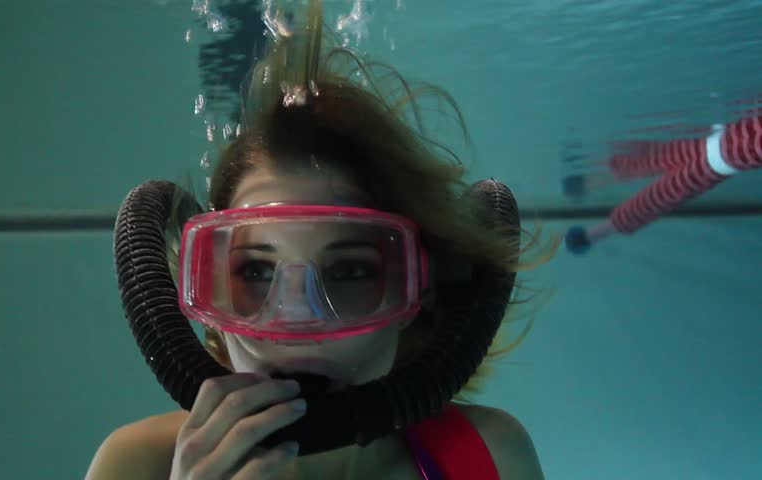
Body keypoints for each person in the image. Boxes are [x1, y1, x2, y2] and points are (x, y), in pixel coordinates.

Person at [86, 1, 552, 478]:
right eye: (255, 271)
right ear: (207, 293)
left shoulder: (490, 456)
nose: (296, 321)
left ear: (420, 290)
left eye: (349, 271)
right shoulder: (137, 466)